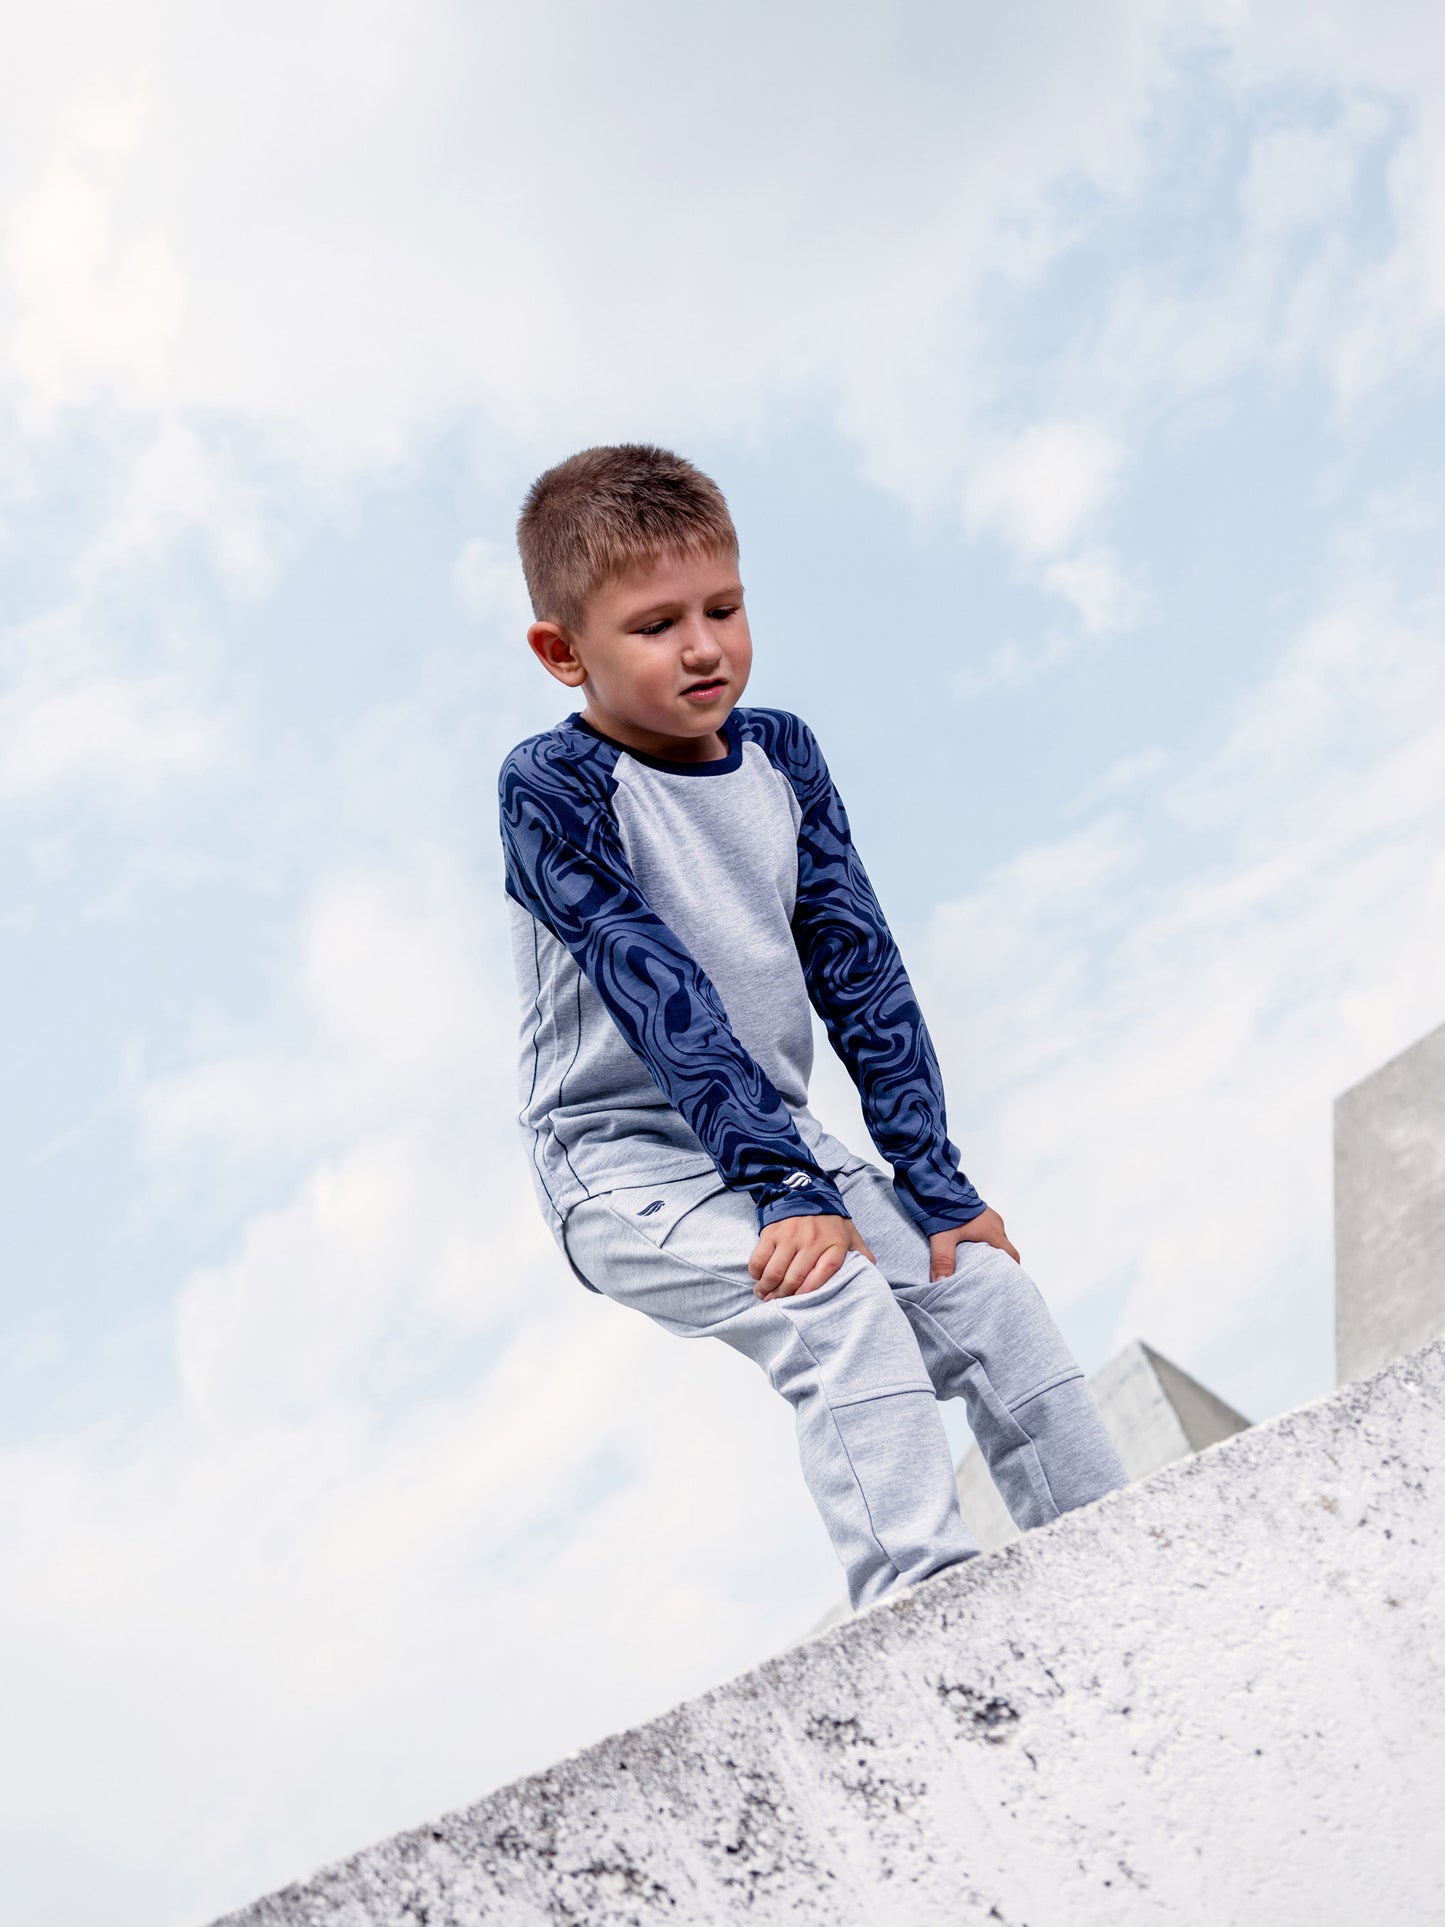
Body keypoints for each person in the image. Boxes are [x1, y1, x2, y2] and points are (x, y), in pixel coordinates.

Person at [498, 443, 1127, 1611]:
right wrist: (788, 1192)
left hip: (776, 1139)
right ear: (561, 651)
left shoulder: (782, 755)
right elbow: (657, 990)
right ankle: (922, 1615)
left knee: (980, 1285)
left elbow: (859, 970)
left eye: (723, 609)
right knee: (831, 1295)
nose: (701, 647)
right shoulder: (555, 786)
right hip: (621, 1154)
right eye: (654, 626)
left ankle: (1126, 1564)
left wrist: (932, 1181)